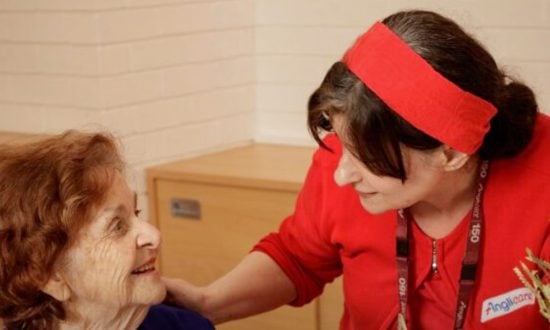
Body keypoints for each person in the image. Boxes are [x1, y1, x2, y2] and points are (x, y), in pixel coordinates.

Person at [163, 9, 550, 329]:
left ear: (451, 154)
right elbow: (298, 256)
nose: (341, 174)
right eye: (340, 142)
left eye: (365, 156)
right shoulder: (342, 160)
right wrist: (207, 303)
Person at [0, 131, 214, 330]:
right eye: (117, 226)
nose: (154, 235)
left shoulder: (186, 326)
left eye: (136, 212)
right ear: (51, 276)